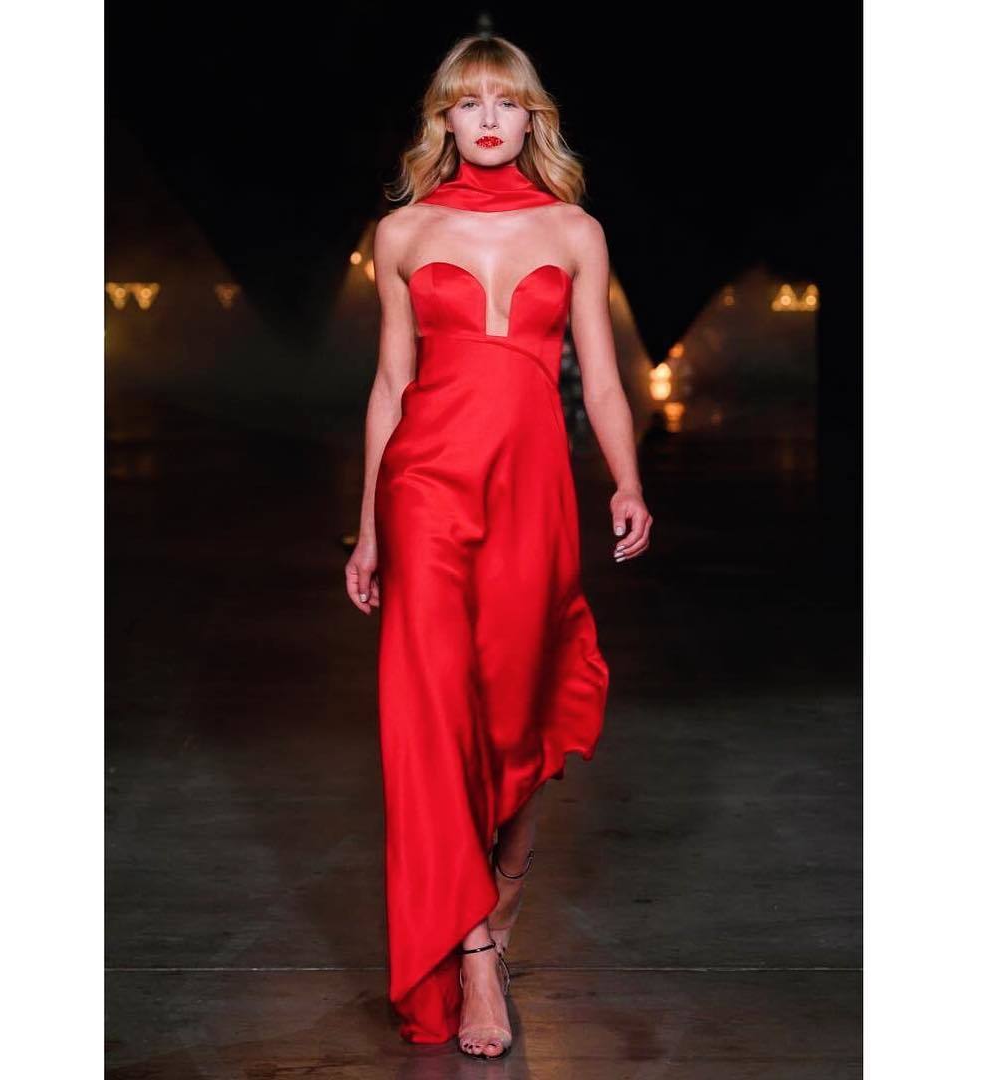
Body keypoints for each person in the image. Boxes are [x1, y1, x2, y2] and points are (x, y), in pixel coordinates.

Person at [345, 34, 652, 1058]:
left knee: (519, 712)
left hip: (532, 493)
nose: (486, 119)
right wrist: (368, 527)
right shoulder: (403, 230)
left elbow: (600, 380)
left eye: (506, 102)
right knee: (429, 716)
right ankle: (474, 954)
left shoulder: (573, 229)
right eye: (467, 101)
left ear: (532, 119)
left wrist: (627, 481)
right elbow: (391, 384)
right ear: (443, 118)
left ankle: (503, 887)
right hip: (423, 487)